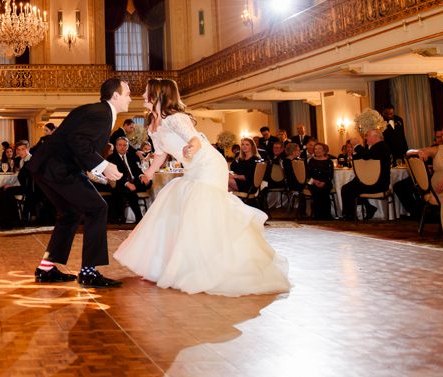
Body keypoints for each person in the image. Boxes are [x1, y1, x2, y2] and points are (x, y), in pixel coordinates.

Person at [114, 79, 290, 296]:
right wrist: (149, 172)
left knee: (201, 209)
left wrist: (190, 148)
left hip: (206, 164)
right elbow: (161, 153)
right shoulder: (153, 124)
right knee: (175, 205)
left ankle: (209, 265)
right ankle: (164, 266)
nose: (142, 96)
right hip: (192, 167)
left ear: (158, 95)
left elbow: (195, 140)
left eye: (146, 92)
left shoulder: (176, 119)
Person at [26, 78, 129, 288]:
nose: (130, 97)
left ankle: (45, 269)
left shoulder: (96, 111)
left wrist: (94, 172)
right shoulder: (102, 114)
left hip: (47, 167)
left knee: (70, 213)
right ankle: (89, 272)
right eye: (127, 93)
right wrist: (103, 166)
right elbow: (78, 142)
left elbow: (75, 142)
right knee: (98, 208)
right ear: (116, 95)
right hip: (58, 169)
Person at [341, 129, 390, 220]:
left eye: (368, 135)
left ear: (376, 137)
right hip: (371, 179)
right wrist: (355, 151)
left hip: (378, 183)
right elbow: (361, 160)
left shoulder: (381, 146)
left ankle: (350, 215)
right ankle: (367, 208)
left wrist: (356, 145)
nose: (366, 137)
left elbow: (367, 156)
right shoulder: (374, 147)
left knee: (347, 189)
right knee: (349, 188)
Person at [106, 136, 146, 224]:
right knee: (128, 191)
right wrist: (127, 183)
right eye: (120, 145)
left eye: (125, 145)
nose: (122, 147)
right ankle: (139, 217)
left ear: (128, 147)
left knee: (149, 183)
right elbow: (116, 175)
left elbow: (136, 169)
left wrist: (141, 175)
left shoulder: (131, 156)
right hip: (119, 182)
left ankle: (150, 215)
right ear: (116, 146)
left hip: (133, 181)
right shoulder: (111, 158)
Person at [305, 142, 334, 219]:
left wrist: (324, 182)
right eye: (315, 149)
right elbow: (307, 176)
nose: (317, 151)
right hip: (313, 182)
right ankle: (318, 216)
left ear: (324, 150)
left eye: (319, 149)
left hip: (326, 182)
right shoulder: (311, 161)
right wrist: (314, 181)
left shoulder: (329, 161)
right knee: (317, 191)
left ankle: (327, 216)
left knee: (324, 192)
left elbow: (330, 176)